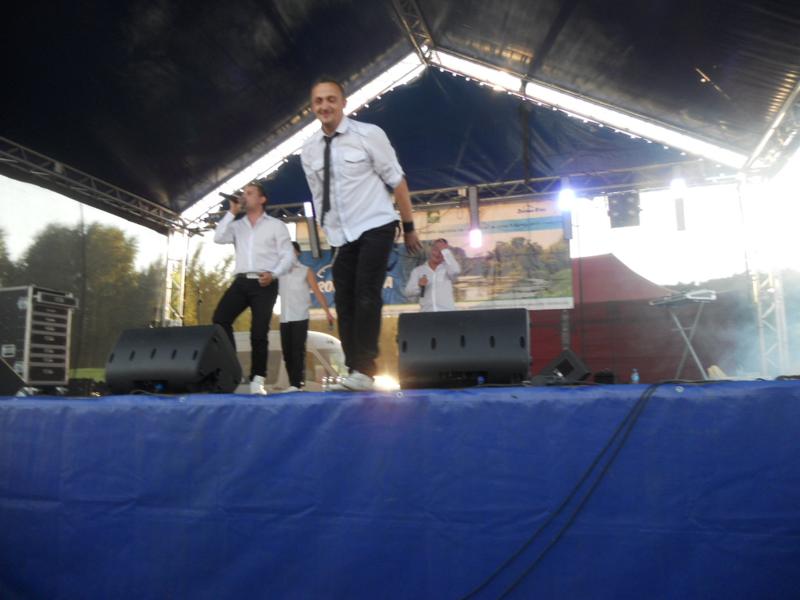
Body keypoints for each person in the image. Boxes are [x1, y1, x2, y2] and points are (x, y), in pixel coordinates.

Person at [300, 76, 421, 391]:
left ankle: (365, 370)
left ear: (343, 102)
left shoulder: (369, 135)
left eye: (331, 99)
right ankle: (355, 370)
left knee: (367, 292)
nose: (325, 105)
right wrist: (327, 230)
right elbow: (317, 196)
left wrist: (409, 227)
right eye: (318, 101)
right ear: (312, 107)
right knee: (344, 299)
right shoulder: (309, 149)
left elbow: (398, 182)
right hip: (341, 235)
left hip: (376, 223)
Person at [212, 181, 294, 394]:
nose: (244, 196)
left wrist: (273, 274)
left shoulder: (276, 225)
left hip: (264, 282)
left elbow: (287, 256)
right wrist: (231, 212)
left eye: (249, 193)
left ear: (261, 199)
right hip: (241, 281)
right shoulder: (237, 225)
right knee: (220, 320)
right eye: (243, 193)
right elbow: (218, 238)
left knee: (258, 331)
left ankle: (258, 378)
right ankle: (231, 368)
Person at [279, 241, 335, 391]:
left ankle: (297, 384)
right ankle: (293, 383)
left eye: (291, 251)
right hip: (285, 317)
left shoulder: (305, 270)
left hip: (300, 315)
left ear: (297, 253)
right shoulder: (280, 272)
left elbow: (317, 291)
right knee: (287, 352)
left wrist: (327, 312)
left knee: (298, 349)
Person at [403, 238, 461, 311]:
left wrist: (445, 251)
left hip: (446, 312)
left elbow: (456, 271)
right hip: (427, 312)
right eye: (436, 249)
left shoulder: (448, 269)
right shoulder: (418, 271)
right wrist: (419, 286)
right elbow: (408, 292)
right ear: (431, 250)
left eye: (442, 251)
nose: (438, 254)